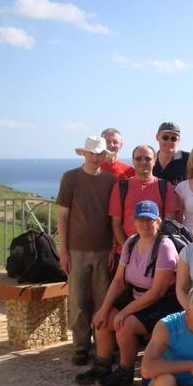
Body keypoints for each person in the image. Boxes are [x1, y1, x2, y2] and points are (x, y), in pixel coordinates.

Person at [75, 200, 180, 386]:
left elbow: (157, 292)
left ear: (159, 221)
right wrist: (104, 309)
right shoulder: (131, 243)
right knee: (103, 319)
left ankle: (125, 372)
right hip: (138, 297)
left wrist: (124, 312)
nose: (145, 224)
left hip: (162, 303)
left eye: (150, 220)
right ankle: (102, 366)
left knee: (125, 325)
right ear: (134, 221)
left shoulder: (165, 246)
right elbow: (118, 281)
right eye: (140, 219)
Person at [57, 136, 116, 366]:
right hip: (76, 250)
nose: (95, 157)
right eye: (91, 153)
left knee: (103, 303)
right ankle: (80, 347)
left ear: (104, 156)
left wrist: (113, 247)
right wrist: (63, 250)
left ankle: (103, 346)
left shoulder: (110, 180)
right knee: (78, 301)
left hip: (103, 249)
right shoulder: (70, 178)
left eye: (99, 153)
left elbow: (113, 218)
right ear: (84, 154)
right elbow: (62, 216)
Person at [109, 144, 180, 255]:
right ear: (133, 161)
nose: (143, 162)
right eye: (138, 158)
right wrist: (127, 249)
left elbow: (168, 222)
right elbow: (116, 223)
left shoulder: (165, 187)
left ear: (154, 160)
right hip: (127, 250)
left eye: (147, 158)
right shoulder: (121, 187)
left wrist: (153, 249)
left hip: (156, 252)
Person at [153, 121, 189, 185]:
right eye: (165, 137)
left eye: (173, 138)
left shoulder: (189, 160)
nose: (169, 141)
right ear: (157, 137)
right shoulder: (150, 160)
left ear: (178, 140)